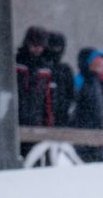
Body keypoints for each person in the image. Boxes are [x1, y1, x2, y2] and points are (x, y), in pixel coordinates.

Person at [15, 26, 54, 157]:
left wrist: (48, 121)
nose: (37, 49)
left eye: (40, 45)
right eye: (33, 44)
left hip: (38, 122)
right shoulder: (17, 64)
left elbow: (47, 97)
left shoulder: (46, 68)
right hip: (18, 120)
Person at [70, 47, 103, 162]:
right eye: (97, 60)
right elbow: (72, 107)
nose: (101, 63)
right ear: (88, 63)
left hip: (97, 134)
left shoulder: (95, 81)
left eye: (102, 60)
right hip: (82, 135)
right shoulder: (80, 80)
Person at [45, 31, 74, 127]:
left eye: (58, 47)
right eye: (53, 47)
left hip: (61, 120)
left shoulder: (65, 70)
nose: (55, 50)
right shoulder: (42, 69)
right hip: (43, 119)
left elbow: (71, 95)